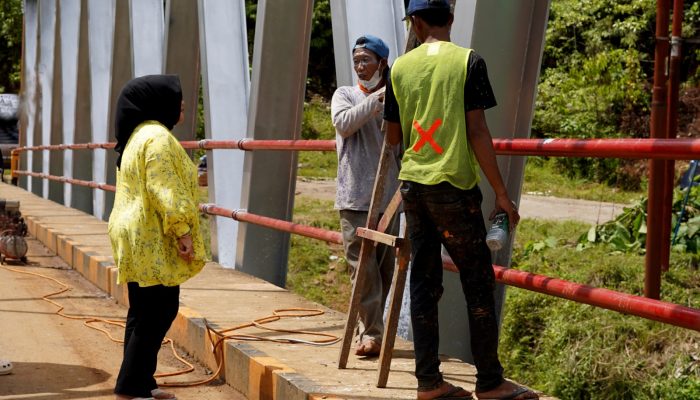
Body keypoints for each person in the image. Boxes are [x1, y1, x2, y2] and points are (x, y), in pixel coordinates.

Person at [384, 1, 539, 399]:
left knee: (423, 280)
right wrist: (502, 195)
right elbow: (477, 131)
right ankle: (489, 382)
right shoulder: (469, 62)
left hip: (413, 188)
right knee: (477, 281)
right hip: (453, 187)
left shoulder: (400, 68)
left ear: (416, 23)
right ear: (450, 18)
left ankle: (428, 383)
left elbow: (393, 138)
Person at [109, 75, 207, 400]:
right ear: (158, 103)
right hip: (151, 238)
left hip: (135, 235)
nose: (181, 106)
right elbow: (164, 187)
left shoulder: (137, 135)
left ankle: (141, 382)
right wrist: (183, 230)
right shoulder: (158, 138)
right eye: (176, 99)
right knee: (160, 311)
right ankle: (131, 386)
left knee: (143, 310)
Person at [331, 35, 400, 357]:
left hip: (389, 199)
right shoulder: (345, 94)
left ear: (382, 63)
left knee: (384, 271)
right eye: (356, 61)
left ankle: (369, 329)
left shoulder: (396, 99)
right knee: (363, 269)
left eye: (366, 61)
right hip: (355, 197)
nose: (360, 67)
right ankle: (372, 333)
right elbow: (344, 124)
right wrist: (375, 102)